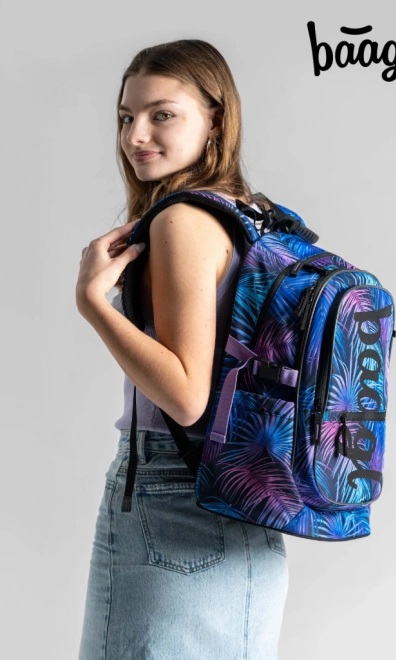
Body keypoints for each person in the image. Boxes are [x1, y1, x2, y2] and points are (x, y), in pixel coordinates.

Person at [76, 39, 289, 660]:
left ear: (215, 119)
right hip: (249, 505)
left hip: (172, 498)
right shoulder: (255, 216)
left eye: (161, 114)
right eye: (126, 117)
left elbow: (187, 397)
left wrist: (92, 302)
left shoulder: (180, 220)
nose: (136, 135)